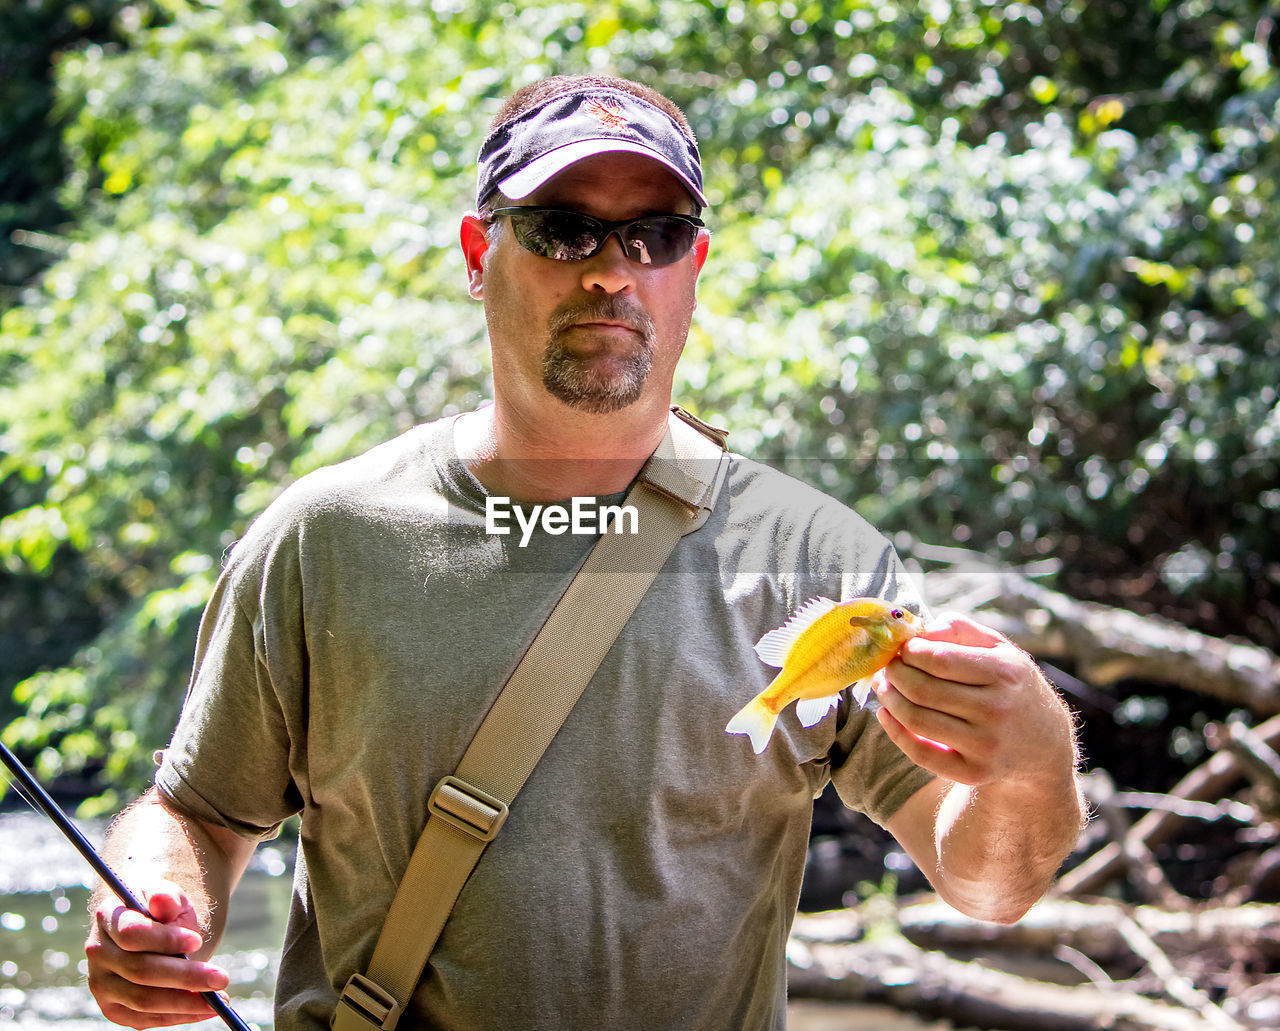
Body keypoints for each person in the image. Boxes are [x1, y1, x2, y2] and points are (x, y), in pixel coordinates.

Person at [84, 74, 1085, 1031]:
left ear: (692, 268)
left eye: (655, 233)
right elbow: (198, 812)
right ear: (479, 252)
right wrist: (154, 906)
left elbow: (987, 881)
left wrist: (1031, 763)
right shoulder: (323, 537)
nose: (611, 271)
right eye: (564, 229)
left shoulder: (813, 558)